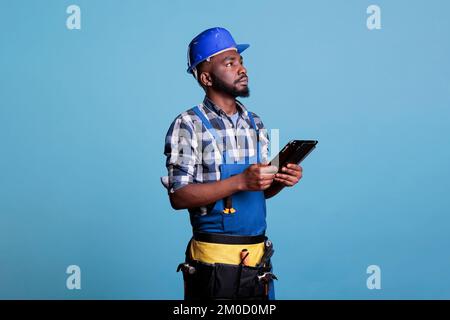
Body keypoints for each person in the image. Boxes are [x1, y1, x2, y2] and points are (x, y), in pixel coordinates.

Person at [161, 27, 303, 300]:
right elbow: (178, 196)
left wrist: (279, 181)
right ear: (206, 77)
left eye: (241, 61)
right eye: (229, 63)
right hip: (213, 267)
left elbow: (258, 189)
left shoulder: (255, 122)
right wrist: (239, 181)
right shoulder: (188, 125)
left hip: (257, 262)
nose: (242, 69)